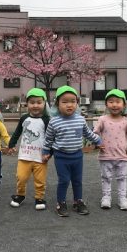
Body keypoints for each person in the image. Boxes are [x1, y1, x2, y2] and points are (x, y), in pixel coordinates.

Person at [42, 85, 102, 217]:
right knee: (63, 180)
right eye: (64, 102)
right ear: (57, 104)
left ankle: (78, 201)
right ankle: (61, 202)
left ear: (77, 103)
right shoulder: (54, 122)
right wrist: (45, 152)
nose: (69, 105)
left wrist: (98, 141)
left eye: (73, 101)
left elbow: (88, 133)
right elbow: (48, 139)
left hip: (77, 156)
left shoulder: (80, 119)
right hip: (61, 157)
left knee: (77, 180)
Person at [8, 88, 50, 210]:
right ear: (27, 104)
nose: (35, 105)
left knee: (40, 180)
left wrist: (49, 153)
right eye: (32, 102)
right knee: (21, 177)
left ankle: (39, 198)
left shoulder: (46, 120)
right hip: (24, 155)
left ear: (44, 103)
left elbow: (50, 138)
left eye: (39, 102)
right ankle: (20, 195)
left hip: (40, 157)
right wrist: (11, 144)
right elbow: (17, 133)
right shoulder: (24, 118)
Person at [94, 89, 127, 211]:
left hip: (122, 156)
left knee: (122, 178)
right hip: (105, 155)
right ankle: (106, 197)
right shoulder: (102, 119)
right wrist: (97, 142)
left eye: (118, 102)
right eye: (111, 102)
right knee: (106, 177)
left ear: (124, 105)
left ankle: (123, 198)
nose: (114, 105)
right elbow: (95, 133)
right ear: (106, 104)